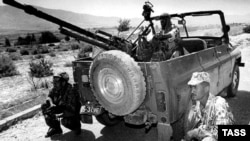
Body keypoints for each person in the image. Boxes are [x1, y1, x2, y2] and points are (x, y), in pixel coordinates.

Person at [183, 72, 234, 141]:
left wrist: (197, 132)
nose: (192, 91)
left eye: (195, 87)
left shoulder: (218, 103)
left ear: (206, 88)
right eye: (191, 87)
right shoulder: (197, 107)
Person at [41, 72, 81, 138]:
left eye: (56, 82)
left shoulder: (71, 91)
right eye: (54, 82)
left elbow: (72, 111)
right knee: (45, 106)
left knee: (65, 122)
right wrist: (51, 104)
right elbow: (49, 97)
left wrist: (58, 115)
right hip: (61, 107)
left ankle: (77, 127)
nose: (54, 84)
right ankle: (55, 128)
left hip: (72, 112)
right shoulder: (55, 88)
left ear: (63, 82)